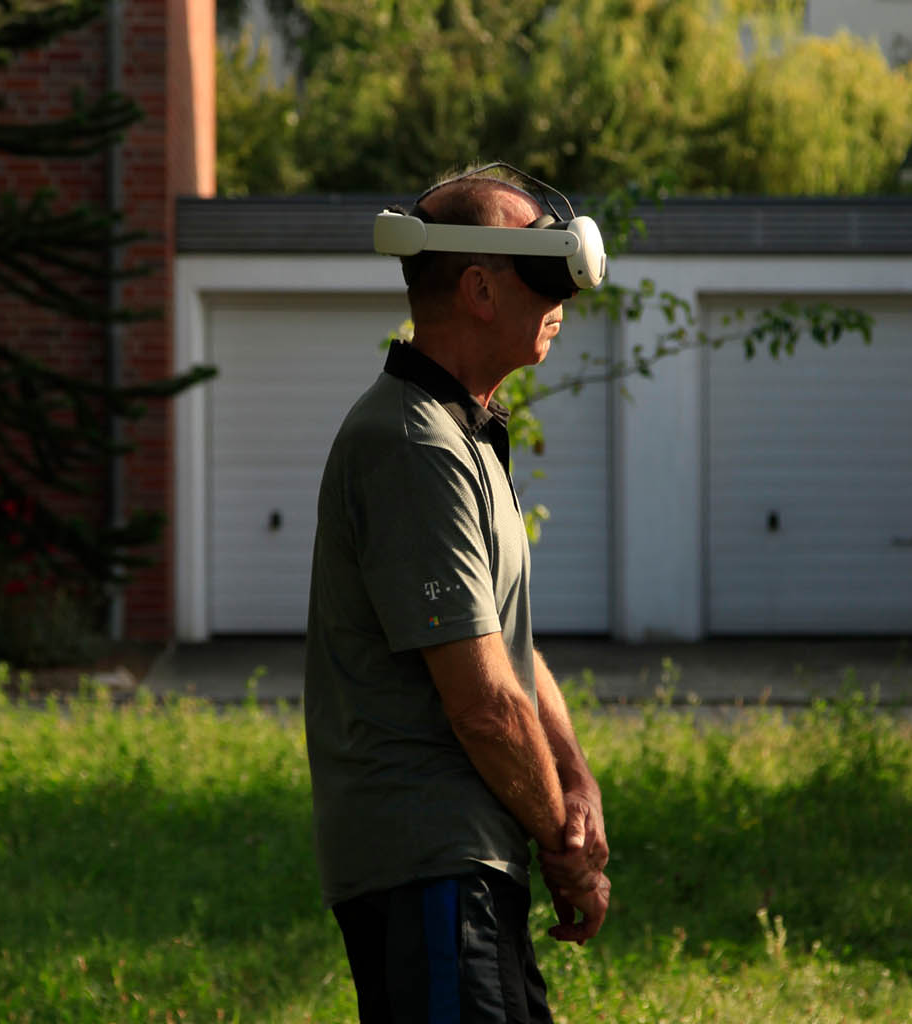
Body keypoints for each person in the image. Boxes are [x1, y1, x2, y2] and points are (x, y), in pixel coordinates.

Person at [303, 164, 610, 1024]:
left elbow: (510, 651)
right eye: (543, 271)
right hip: (428, 865)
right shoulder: (411, 445)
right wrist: (566, 848)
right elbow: (482, 705)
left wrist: (575, 785)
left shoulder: (465, 436)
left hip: (469, 861)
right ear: (478, 287)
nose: (565, 299)